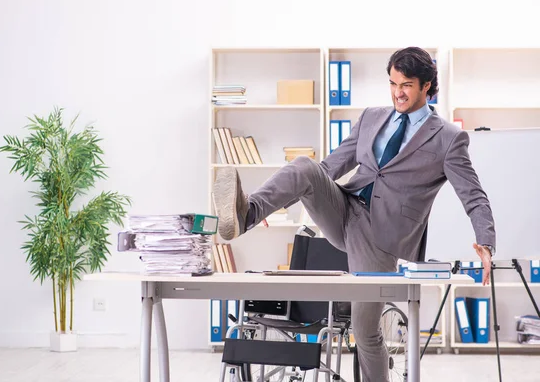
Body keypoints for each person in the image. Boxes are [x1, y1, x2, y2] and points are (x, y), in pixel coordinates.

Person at [212, 46, 496, 381]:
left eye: (405, 85)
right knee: (305, 166)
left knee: (365, 333)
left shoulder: (448, 138)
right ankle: (247, 213)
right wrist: (291, 195)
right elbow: (330, 167)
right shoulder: (371, 117)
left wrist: (486, 242)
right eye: (392, 83)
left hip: (381, 237)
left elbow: (473, 195)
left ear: (426, 85)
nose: (397, 92)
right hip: (345, 209)